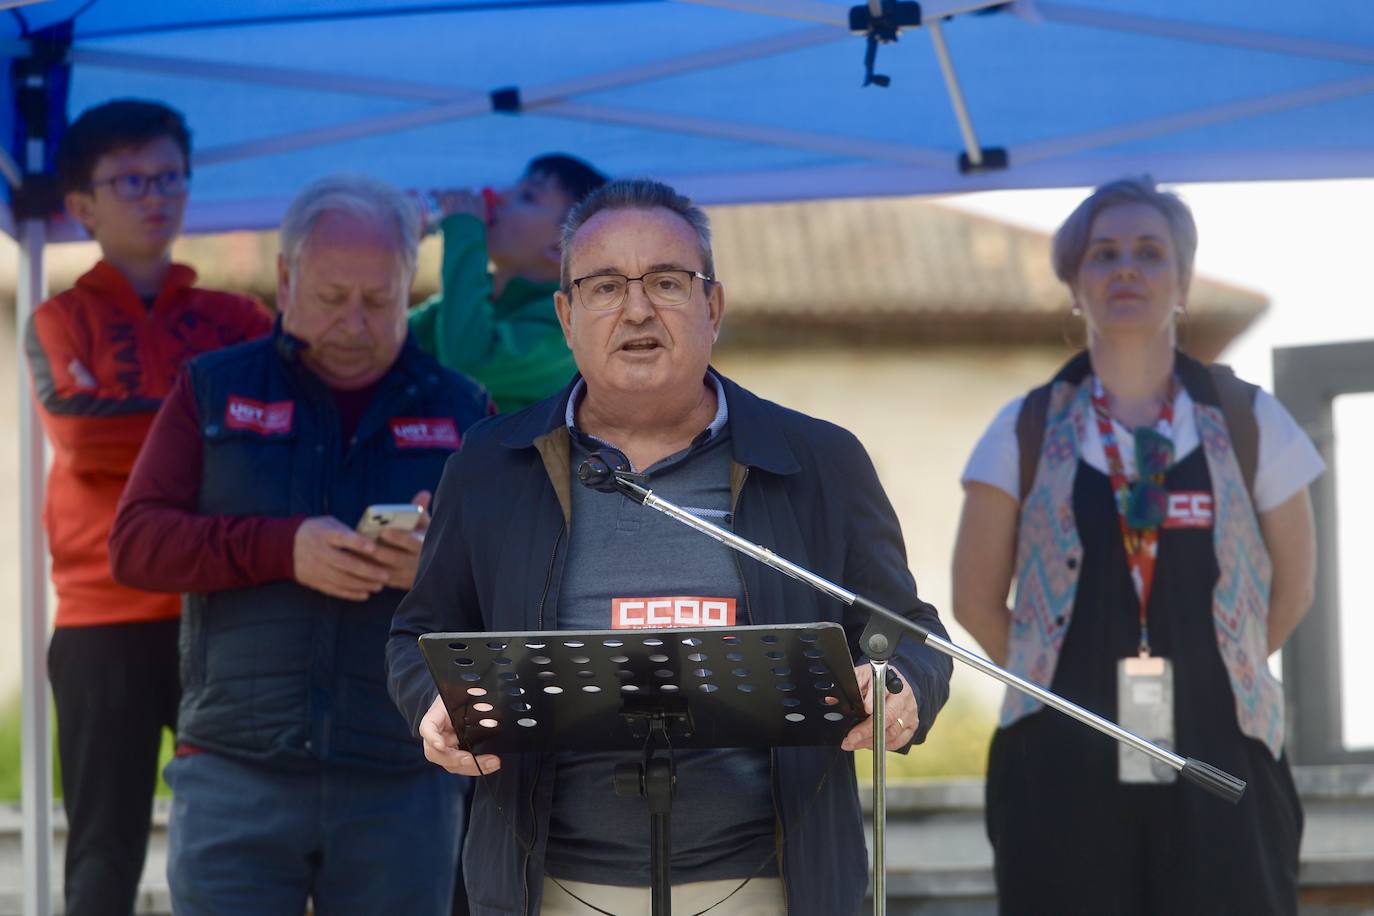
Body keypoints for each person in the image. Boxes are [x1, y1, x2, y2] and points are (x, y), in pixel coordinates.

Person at [387, 177, 953, 916]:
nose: (637, 308)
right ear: (566, 315)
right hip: (548, 889)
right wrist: (433, 701)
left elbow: (910, 635)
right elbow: (418, 631)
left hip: (770, 889)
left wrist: (900, 685)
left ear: (713, 307)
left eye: (666, 281)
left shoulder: (818, 460)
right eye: (604, 286)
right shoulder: (490, 466)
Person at [109, 174, 492, 915]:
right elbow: (135, 546)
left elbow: (520, 586)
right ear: (285, 280)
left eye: (379, 301)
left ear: (409, 284)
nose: (353, 321)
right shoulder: (213, 389)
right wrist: (280, 550)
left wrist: (439, 568)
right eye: (330, 297)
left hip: (402, 778)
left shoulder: (465, 408)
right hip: (235, 772)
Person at [951, 177, 1322, 915]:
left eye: (1150, 253)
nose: (1127, 268)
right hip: (1060, 762)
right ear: (1075, 284)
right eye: (1105, 253)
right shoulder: (1022, 429)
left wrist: (1226, 668)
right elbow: (973, 600)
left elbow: (1295, 591)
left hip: (1225, 757)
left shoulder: (1253, 421)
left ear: (1182, 281)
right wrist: (1057, 687)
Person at [22, 98, 271, 916]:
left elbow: (273, 441)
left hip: (226, 611)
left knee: (248, 835)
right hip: (103, 617)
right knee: (104, 848)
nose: (155, 194)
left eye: (169, 176)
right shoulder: (60, 317)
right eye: (130, 179)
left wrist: (185, 426)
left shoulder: (239, 319)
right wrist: (213, 424)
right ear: (83, 205)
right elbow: (81, 438)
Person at [408, 153, 608, 413]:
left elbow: (470, 363)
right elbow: (382, 345)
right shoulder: (477, 301)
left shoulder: (568, 334)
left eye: (527, 196)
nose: (499, 197)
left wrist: (464, 230)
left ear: (560, 246)